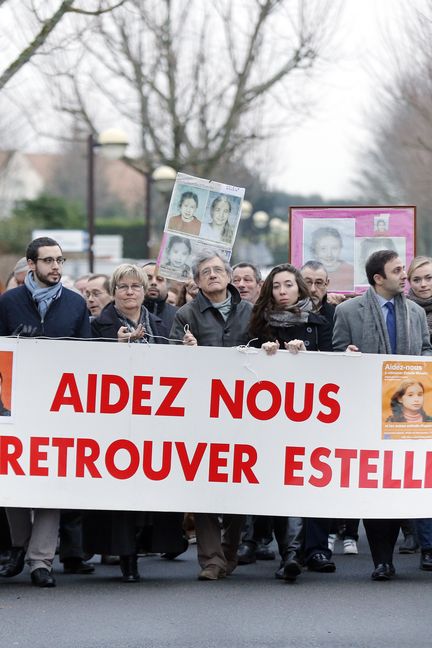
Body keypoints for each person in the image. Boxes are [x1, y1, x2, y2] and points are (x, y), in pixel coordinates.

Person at [333, 249, 432, 581]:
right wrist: (345, 354)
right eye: (398, 270)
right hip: (364, 412)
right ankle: (382, 560)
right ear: (378, 278)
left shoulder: (415, 312)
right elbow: (336, 351)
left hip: (407, 414)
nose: (404, 275)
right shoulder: (348, 311)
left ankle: (423, 546)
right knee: (376, 489)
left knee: (406, 483)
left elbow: (426, 350)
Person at [85, 264, 186, 582]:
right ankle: (127, 558)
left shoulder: (162, 323)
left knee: (148, 493)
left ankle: (145, 545)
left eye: (136, 286)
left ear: (145, 291)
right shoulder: (96, 326)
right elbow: (87, 371)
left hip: (154, 422)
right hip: (114, 423)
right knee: (121, 498)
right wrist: (116, 350)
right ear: (113, 292)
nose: (130, 292)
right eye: (123, 287)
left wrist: (190, 352)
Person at [0, 236, 91, 588]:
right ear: (31, 264)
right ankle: (19, 545)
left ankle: (41, 561)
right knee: (13, 479)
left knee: (50, 484)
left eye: (60, 260)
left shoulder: (75, 304)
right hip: (15, 406)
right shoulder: (8, 303)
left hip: (59, 409)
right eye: (48, 260)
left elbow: (87, 356)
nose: (55, 267)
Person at [249, 263, 335, 580]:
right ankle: (290, 553)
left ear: (299, 287)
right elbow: (244, 363)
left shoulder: (319, 322)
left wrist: (308, 354)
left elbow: (332, 364)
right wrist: (262, 351)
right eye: (276, 286)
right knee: (280, 487)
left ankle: (307, 551)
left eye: (288, 285)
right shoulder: (259, 324)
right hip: (273, 421)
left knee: (310, 485)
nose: (282, 291)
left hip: (311, 418)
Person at [170, 250, 252, 581]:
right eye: (206, 271)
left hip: (243, 414)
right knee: (203, 485)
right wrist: (184, 351)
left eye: (219, 269)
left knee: (237, 486)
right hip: (202, 413)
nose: (213, 275)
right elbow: (170, 362)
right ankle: (211, 559)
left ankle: (229, 551)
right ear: (197, 280)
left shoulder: (250, 311)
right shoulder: (185, 315)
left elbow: (266, 350)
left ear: (230, 277)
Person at [301, 260, 359, 555]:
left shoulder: (336, 314)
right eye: (307, 281)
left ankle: (345, 530)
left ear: (327, 285)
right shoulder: (284, 313)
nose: (313, 289)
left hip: (330, 406)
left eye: (319, 283)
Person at [406, 255, 432, 564]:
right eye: (417, 279)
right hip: (417, 402)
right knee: (423, 476)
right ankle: (428, 546)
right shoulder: (405, 312)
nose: (423, 284)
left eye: (428, 278)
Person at [310, 226, 353, 291]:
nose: (329, 254)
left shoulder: (351, 271)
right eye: (323, 249)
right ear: (315, 251)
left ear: (341, 248)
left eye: (334, 248)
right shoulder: (309, 273)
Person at [142, 262, 178, 333]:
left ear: (168, 286)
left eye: (160, 279)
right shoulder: (128, 313)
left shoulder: (179, 316)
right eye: (148, 278)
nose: (154, 282)